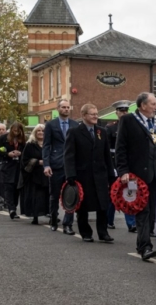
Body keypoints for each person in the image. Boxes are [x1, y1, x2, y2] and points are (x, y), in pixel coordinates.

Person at [116, 92, 156, 260]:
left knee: (154, 211)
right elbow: (121, 148)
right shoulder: (128, 121)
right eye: (153, 103)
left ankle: (146, 243)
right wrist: (123, 171)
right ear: (143, 105)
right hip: (136, 176)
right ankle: (145, 246)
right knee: (141, 210)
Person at [64, 104, 114, 243]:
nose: (95, 116)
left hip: (100, 175)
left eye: (96, 114)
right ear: (84, 115)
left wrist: (111, 174)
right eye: (92, 114)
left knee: (103, 204)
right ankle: (86, 232)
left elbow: (107, 156)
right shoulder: (74, 132)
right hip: (83, 175)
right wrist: (70, 175)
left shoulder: (102, 132)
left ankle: (103, 232)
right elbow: (69, 155)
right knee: (83, 206)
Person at [43, 99, 78, 234]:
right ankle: (53, 219)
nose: (66, 109)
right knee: (54, 195)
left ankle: (68, 224)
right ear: (58, 109)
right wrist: (46, 165)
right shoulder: (51, 125)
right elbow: (46, 146)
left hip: (71, 165)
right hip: (56, 164)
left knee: (71, 195)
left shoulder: (75, 125)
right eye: (63, 107)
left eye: (68, 107)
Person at [106, 100, 136, 232]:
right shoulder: (111, 128)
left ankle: (132, 223)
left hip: (130, 166)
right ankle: (109, 220)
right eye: (121, 111)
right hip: (114, 164)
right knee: (113, 194)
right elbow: (106, 149)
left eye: (126, 111)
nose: (124, 113)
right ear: (116, 113)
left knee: (130, 194)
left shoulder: (134, 127)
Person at [20, 124, 49, 225]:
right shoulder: (30, 145)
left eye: (43, 131)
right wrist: (38, 162)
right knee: (36, 196)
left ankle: (51, 215)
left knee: (48, 196)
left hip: (48, 174)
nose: (41, 133)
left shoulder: (49, 143)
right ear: (35, 133)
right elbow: (24, 160)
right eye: (38, 131)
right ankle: (35, 216)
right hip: (34, 175)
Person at [0, 121, 26, 219]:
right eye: (14, 131)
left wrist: (20, 153)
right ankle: (11, 209)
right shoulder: (4, 138)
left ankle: (14, 206)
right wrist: (8, 154)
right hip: (7, 166)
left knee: (16, 189)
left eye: (18, 131)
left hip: (19, 167)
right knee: (8, 188)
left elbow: (27, 152)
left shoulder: (23, 140)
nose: (16, 133)